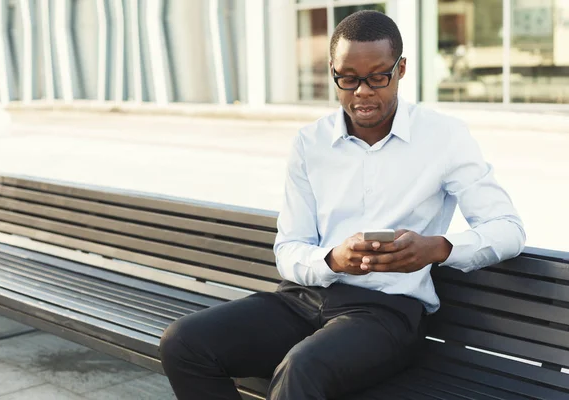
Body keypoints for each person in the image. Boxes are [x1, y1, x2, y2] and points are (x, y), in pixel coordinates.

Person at [159, 10, 525, 400]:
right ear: (332, 72)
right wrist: (333, 259)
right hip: (301, 299)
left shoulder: (445, 138)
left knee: (302, 369)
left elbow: (508, 228)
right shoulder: (309, 143)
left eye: (378, 77)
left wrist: (436, 249)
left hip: (385, 312)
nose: (363, 91)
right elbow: (289, 249)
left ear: (401, 70)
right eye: (348, 79)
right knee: (184, 343)